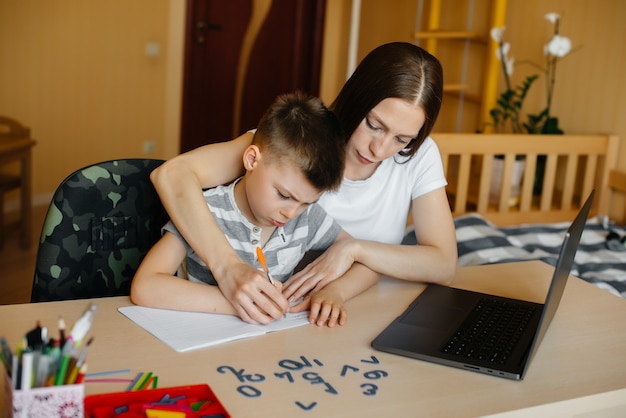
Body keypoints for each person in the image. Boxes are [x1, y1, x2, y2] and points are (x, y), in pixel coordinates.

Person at [150, 42, 458, 325]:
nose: (380, 150)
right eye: (374, 125)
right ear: (357, 99)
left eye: (402, 139)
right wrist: (227, 267)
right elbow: (172, 175)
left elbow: (443, 264)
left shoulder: (417, 156)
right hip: (273, 314)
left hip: (359, 312)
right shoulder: (299, 143)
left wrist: (354, 250)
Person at [130, 92, 379, 327]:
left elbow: (366, 264)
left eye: (306, 202)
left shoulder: (307, 220)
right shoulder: (205, 211)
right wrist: (241, 303)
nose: (291, 213)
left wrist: (334, 292)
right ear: (251, 160)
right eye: (283, 195)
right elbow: (145, 287)